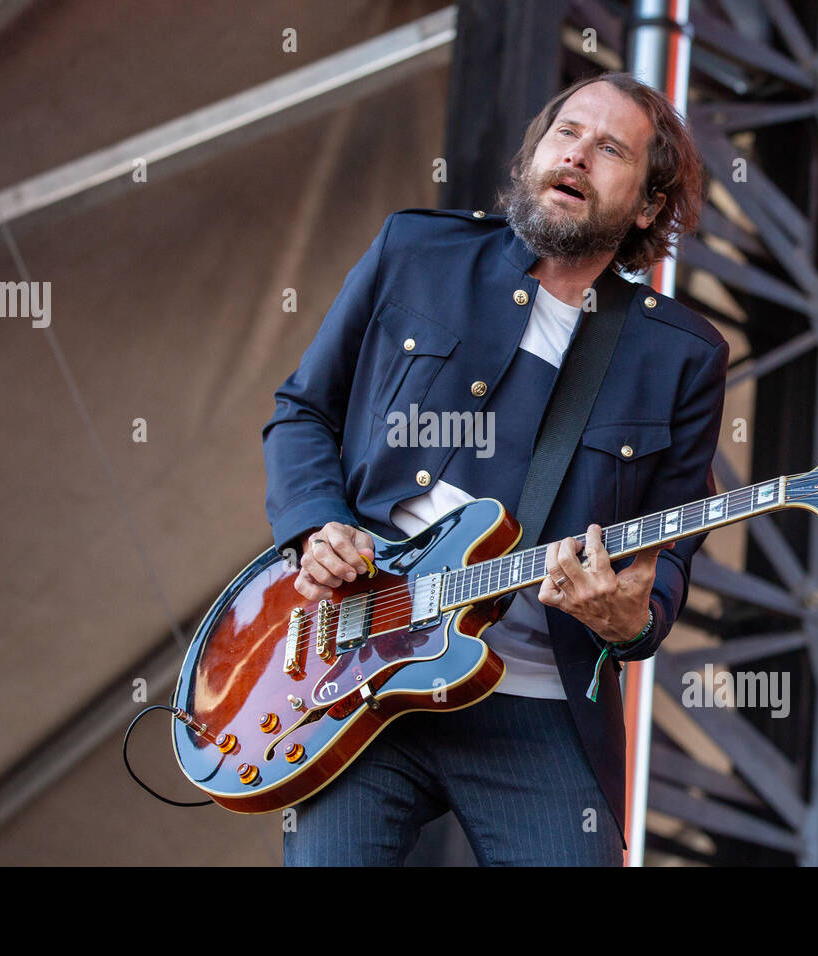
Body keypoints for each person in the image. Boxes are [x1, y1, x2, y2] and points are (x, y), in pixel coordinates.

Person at [262, 71, 728, 865]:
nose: (577, 156)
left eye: (609, 149)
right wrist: (317, 524)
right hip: (360, 671)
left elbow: (670, 552)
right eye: (567, 133)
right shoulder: (415, 251)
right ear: (537, 154)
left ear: (647, 207)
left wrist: (632, 622)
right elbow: (305, 410)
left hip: (536, 702)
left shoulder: (681, 355)